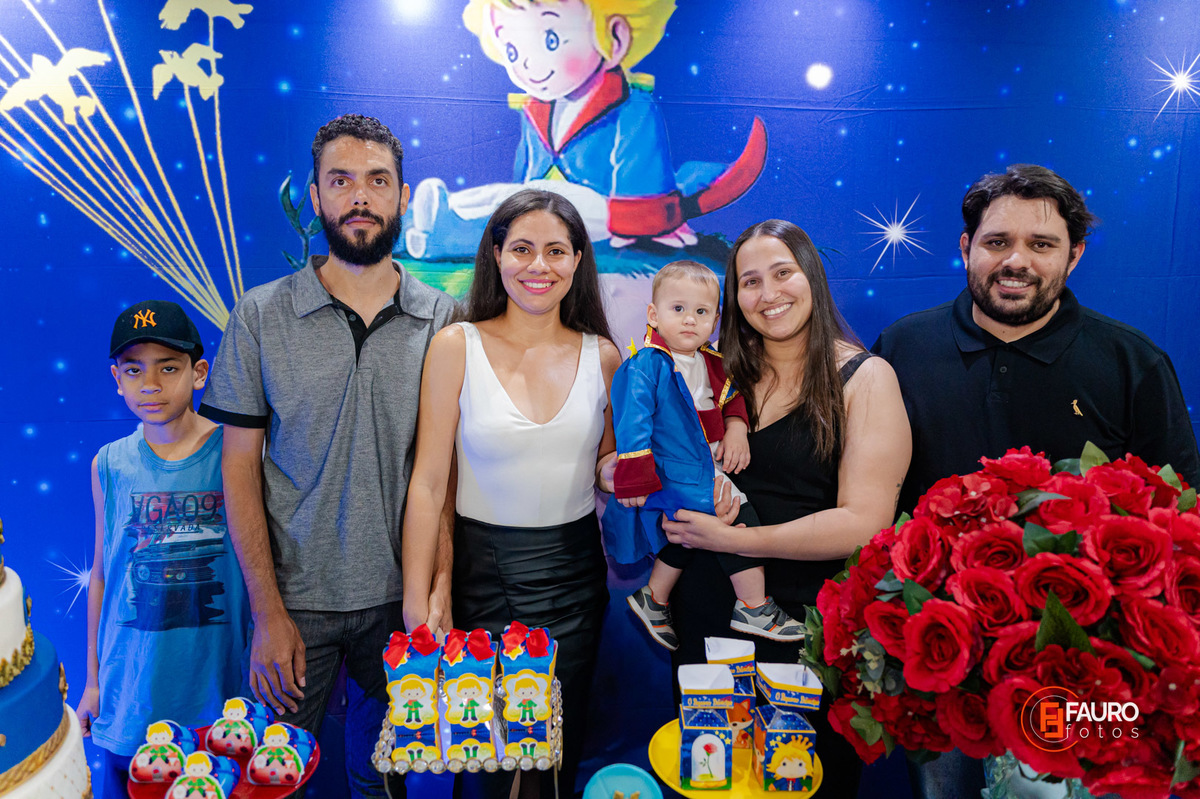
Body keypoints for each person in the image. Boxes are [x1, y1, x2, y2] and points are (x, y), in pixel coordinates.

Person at [873, 163, 1200, 799]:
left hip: (1087, 674)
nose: (1016, 261)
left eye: (1041, 244)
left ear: (1074, 256)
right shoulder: (902, 350)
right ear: (966, 247)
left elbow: (1183, 521)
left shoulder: (1131, 362)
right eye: (997, 241)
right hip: (943, 671)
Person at [199, 114, 456, 798]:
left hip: (400, 604)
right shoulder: (260, 315)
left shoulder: (444, 319)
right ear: (315, 198)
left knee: (381, 782)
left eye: (378, 180)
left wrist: (438, 586)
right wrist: (268, 612)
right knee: (270, 781)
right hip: (295, 605)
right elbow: (237, 470)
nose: (360, 196)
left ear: (403, 196)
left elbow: (445, 475)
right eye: (341, 181)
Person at [661, 219, 912, 799]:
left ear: (812, 277)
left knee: (802, 782)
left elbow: (864, 523)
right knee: (712, 778)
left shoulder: (865, 377)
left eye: (782, 273)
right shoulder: (715, 374)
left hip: (806, 630)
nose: (768, 293)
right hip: (707, 620)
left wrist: (739, 541)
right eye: (750, 281)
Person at [402, 188, 620, 797]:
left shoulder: (605, 356)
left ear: (578, 260)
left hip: (575, 581)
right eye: (521, 249)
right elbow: (428, 484)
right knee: (487, 767)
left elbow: (608, 469)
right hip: (481, 579)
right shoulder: (456, 346)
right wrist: (418, 599)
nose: (538, 265)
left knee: (555, 762)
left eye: (556, 251)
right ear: (496, 255)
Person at [402, 0, 766, 259]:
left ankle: (443, 233)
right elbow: (523, 179)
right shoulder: (536, 110)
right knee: (508, 197)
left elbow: (640, 178)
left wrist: (640, 222)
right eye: (512, 50)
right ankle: (430, 215)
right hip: (545, 199)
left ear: (616, 40)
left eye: (551, 41)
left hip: (603, 213)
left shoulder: (632, 106)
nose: (528, 64)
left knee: (525, 218)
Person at [77, 299, 251, 799]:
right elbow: (103, 575)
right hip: (132, 696)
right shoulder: (109, 464)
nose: (150, 384)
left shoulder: (236, 452)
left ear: (199, 373)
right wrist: (93, 682)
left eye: (168, 367)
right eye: (134, 370)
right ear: (117, 378)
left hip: (217, 695)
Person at [604, 260, 803, 651]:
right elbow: (633, 421)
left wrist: (737, 428)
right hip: (670, 469)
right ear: (653, 315)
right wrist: (636, 477)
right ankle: (753, 605)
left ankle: (654, 597)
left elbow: (733, 399)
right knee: (737, 514)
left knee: (691, 532)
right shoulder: (647, 364)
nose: (689, 320)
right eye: (678, 309)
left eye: (701, 311)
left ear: (715, 320)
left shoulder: (712, 361)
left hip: (701, 463)